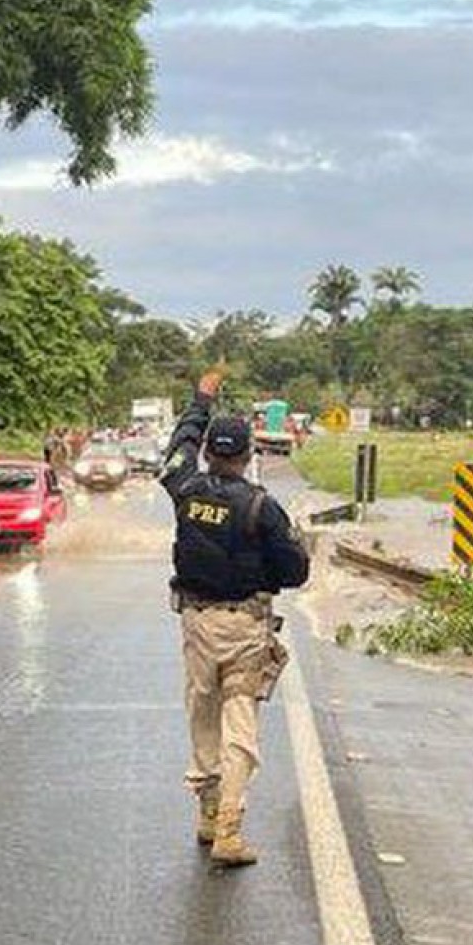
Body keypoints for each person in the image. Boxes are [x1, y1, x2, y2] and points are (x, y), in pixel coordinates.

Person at [159, 369, 311, 866]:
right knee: (239, 721)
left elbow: (179, 442)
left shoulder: (184, 488)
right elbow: (294, 574)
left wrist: (200, 399)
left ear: (207, 453)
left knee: (202, 713)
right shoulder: (262, 508)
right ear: (248, 456)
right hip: (246, 629)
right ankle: (229, 826)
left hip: (197, 623)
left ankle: (206, 813)